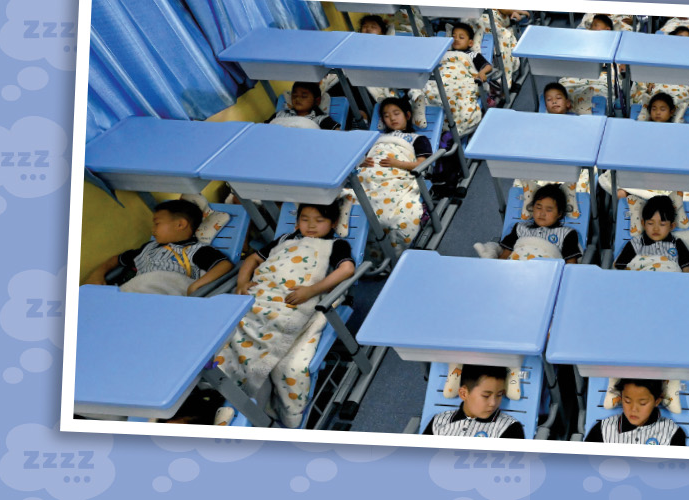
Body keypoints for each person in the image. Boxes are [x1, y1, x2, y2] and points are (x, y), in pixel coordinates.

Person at [220, 202, 357, 426]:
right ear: (297, 221)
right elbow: (253, 259)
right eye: (305, 219)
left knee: (279, 351)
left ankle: (253, 402)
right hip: (265, 293)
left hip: (298, 297)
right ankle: (238, 395)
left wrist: (312, 290)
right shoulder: (285, 239)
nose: (311, 226)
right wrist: (242, 282)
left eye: (319, 221)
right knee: (232, 329)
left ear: (332, 224)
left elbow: (347, 269)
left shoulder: (336, 244)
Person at [85, 199, 231, 296]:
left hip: (171, 294)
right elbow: (116, 259)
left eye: (157, 223)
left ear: (180, 224)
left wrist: (196, 286)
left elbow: (224, 265)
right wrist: (97, 274)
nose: (153, 229)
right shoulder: (148, 248)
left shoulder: (198, 250)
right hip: (139, 295)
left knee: (145, 282)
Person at [358, 97, 431, 256]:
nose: (391, 118)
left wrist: (398, 163)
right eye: (386, 115)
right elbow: (358, 159)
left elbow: (422, 164)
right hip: (368, 176)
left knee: (389, 215)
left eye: (396, 113)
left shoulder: (417, 139)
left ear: (408, 115)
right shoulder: (375, 140)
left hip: (395, 175)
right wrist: (361, 162)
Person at [422, 364, 525, 438]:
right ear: (464, 394)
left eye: (499, 395)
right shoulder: (439, 421)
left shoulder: (509, 427)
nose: (493, 403)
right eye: (486, 396)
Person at [584, 378, 687, 445]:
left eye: (642, 403)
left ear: (657, 401)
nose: (633, 409)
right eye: (627, 401)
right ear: (621, 398)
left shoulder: (672, 433)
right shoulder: (603, 430)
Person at [499, 184, 583, 265]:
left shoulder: (566, 234)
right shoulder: (520, 229)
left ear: (559, 213)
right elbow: (504, 256)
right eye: (538, 208)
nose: (542, 214)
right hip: (517, 268)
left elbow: (571, 265)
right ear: (533, 208)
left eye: (549, 210)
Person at [614, 195, 689, 272]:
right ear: (643, 224)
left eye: (662, 224)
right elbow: (621, 267)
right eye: (650, 223)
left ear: (671, 226)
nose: (656, 229)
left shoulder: (676, 243)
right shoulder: (635, 243)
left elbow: (686, 269)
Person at [267, 81, 340, 130]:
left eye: (304, 96)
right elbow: (263, 129)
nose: (297, 99)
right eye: (294, 95)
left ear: (317, 101)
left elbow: (337, 134)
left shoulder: (321, 119)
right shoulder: (280, 115)